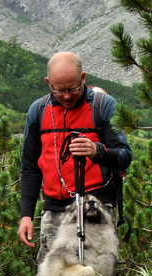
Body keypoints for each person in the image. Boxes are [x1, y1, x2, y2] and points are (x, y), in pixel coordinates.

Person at [18, 51, 132, 262]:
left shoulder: (103, 105)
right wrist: (26, 214)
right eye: (60, 90)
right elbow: (30, 167)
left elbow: (125, 156)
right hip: (55, 209)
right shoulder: (39, 111)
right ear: (48, 82)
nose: (67, 96)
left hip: (97, 206)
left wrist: (97, 151)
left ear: (84, 78)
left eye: (73, 88)